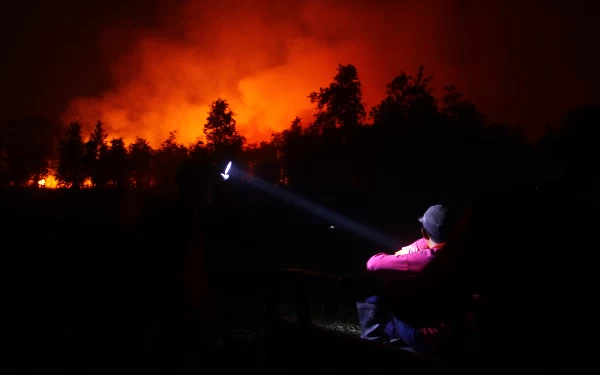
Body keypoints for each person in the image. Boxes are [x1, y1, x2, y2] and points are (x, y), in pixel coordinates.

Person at [357, 204, 459, 354]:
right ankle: (394, 339)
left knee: (378, 284)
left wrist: (402, 258)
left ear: (424, 232)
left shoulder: (427, 259)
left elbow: (373, 264)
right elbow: (421, 246)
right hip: (454, 334)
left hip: (426, 337)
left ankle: (370, 343)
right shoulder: (459, 254)